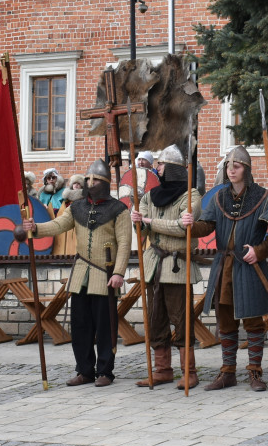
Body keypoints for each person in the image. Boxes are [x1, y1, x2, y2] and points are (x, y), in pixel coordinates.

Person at [23, 160, 131, 386]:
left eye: (96, 180)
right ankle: (84, 371)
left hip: (105, 275)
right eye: (88, 179)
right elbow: (58, 225)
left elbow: (124, 243)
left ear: (105, 183)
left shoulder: (118, 210)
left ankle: (104, 372)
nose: (91, 183)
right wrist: (36, 228)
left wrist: (119, 272)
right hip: (81, 274)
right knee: (80, 325)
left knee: (104, 327)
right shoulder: (77, 207)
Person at [186, 146, 268, 391]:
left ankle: (255, 373)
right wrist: (191, 225)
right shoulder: (218, 197)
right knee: (225, 321)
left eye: (236, 166)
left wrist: (259, 251)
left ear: (246, 169)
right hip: (224, 266)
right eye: (228, 165)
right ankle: (228, 372)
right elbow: (207, 226)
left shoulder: (263, 197)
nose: (231, 169)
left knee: (253, 321)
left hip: (249, 267)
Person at [132, 144, 203, 389]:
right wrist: (137, 222)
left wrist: (151, 221)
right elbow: (142, 225)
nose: (156, 168)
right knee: (156, 320)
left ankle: (189, 372)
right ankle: (163, 369)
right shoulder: (149, 196)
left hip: (178, 265)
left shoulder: (191, 195)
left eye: (160, 165)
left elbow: (183, 228)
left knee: (181, 321)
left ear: (171, 168)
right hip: (154, 265)